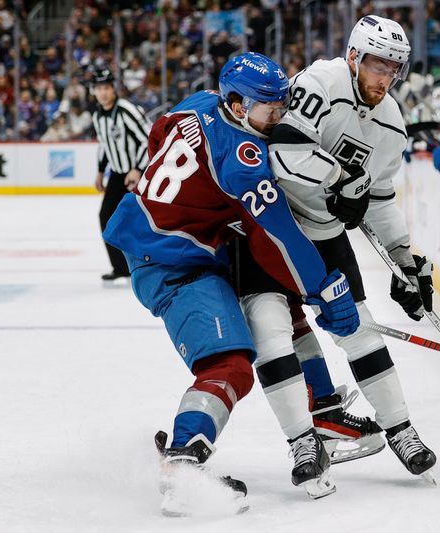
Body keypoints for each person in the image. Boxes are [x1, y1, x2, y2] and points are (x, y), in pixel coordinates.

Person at [102, 52, 359, 514]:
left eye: (282, 105)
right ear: (239, 106)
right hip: (172, 264)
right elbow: (279, 235)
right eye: (269, 108)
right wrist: (323, 287)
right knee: (230, 365)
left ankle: (323, 408)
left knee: (284, 310)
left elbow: (161, 131)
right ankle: (183, 465)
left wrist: (205, 204)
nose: (278, 117)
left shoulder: (197, 102)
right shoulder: (244, 160)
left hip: (169, 241)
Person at [265, 15, 437, 479]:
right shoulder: (322, 81)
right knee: (271, 336)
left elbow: (378, 200)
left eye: (394, 69)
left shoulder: (393, 126)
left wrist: (404, 260)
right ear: (356, 57)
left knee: (359, 329)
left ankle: (400, 428)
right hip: (271, 224)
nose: (385, 78)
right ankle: (302, 439)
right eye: (378, 65)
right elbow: (282, 152)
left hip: (322, 232)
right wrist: (341, 178)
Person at [90, 66, 151, 282]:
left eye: (107, 87)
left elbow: (148, 138)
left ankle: (150, 263)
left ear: (113, 88)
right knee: (106, 216)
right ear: (93, 91)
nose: (103, 92)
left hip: (139, 171)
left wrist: (137, 168)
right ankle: (121, 267)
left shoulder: (126, 110)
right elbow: (104, 144)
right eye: (99, 88)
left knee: (141, 219)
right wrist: (99, 172)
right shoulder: (98, 115)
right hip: (117, 174)